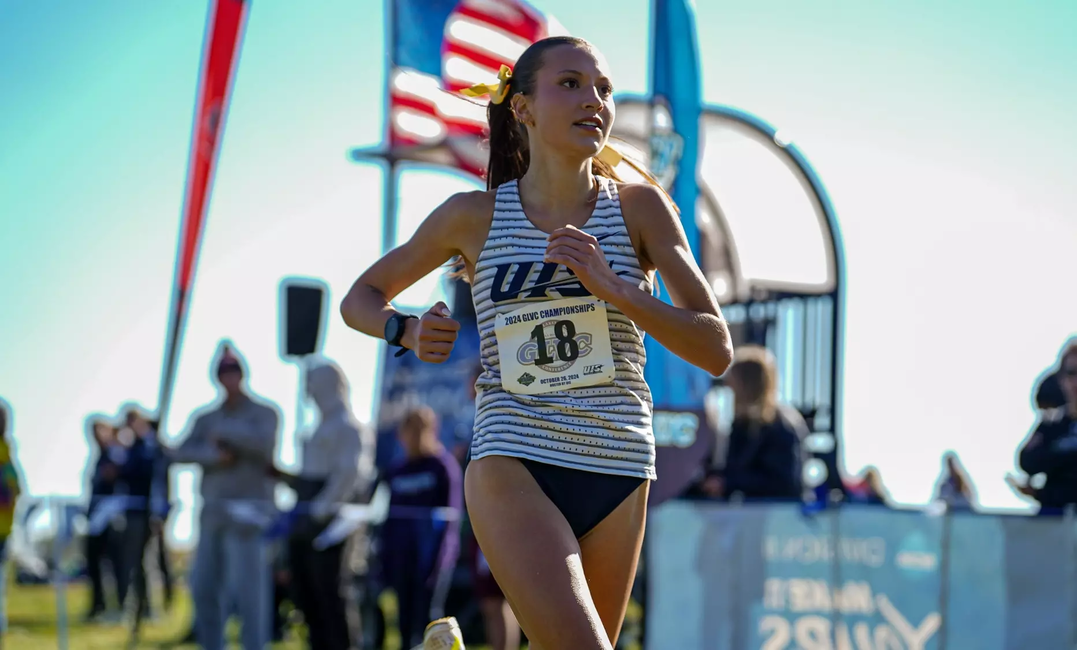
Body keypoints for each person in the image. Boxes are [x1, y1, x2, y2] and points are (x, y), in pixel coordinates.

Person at [340, 35, 733, 650]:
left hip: (619, 462)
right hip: (513, 455)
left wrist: (617, 289)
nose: (594, 101)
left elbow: (716, 348)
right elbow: (359, 297)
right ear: (521, 108)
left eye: (603, 88)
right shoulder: (473, 216)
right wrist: (408, 330)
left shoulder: (640, 210)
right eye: (571, 84)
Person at [168, 343, 281, 650]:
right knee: (204, 589)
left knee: (249, 595)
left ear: (242, 374)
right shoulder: (205, 418)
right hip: (212, 513)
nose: (228, 377)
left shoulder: (264, 412)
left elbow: (264, 445)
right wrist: (213, 455)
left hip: (250, 515)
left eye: (233, 371)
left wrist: (230, 437)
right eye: (222, 372)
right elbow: (179, 452)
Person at [275, 360, 373, 650]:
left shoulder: (349, 427)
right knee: (306, 593)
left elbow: (349, 473)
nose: (312, 394)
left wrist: (322, 507)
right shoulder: (318, 428)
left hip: (333, 522)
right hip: (307, 519)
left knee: (331, 593)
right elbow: (308, 478)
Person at [377, 406, 462, 648]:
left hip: (432, 558)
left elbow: (451, 519)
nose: (413, 436)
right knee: (403, 621)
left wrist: (439, 560)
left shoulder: (442, 466)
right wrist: (386, 559)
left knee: (430, 620)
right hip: (402, 557)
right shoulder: (396, 471)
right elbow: (390, 519)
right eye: (408, 430)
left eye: (418, 430)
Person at [700, 345, 806, 502]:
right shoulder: (742, 424)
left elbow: (782, 481)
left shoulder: (780, 425)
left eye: (734, 386)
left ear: (747, 386)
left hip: (777, 518)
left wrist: (728, 483)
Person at [1017, 340, 1077, 513]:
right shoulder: (1051, 424)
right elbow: (1027, 462)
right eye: (1071, 373)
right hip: (1053, 524)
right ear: (1061, 379)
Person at [0, 399, 23, 636]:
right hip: (4, 529)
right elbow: (16, 489)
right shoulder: (7, 452)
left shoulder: (4, 453)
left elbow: (13, 490)